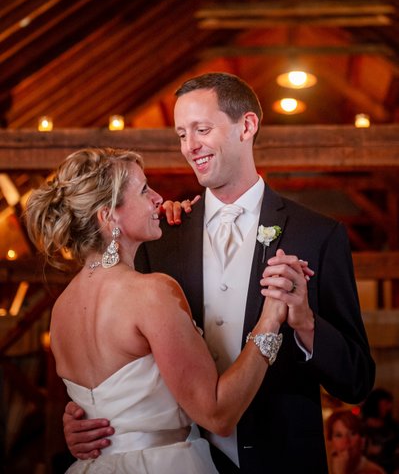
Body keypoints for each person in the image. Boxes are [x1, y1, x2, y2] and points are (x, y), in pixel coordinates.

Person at [63, 73, 375, 473]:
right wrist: (86, 416)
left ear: (246, 126)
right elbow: (121, 353)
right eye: (180, 134)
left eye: (202, 129)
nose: (189, 147)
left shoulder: (318, 234)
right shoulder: (159, 239)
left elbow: (357, 382)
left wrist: (306, 323)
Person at [25, 146, 296, 473]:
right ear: (109, 216)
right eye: (143, 190)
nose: (158, 198)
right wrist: (270, 318)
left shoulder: (61, 310)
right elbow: (218, 415)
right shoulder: (150, 293)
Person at [326, 409, 386, 474]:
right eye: (339, 435)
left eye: (352, 434)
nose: (346, 441)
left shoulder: (373, 471)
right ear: (330, 442)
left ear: (362, 441)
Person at [361, 388, 399, 473]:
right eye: (385, 404)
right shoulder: (360, 427)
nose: (389, 407)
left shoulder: (394, 427)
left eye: (389, 404)